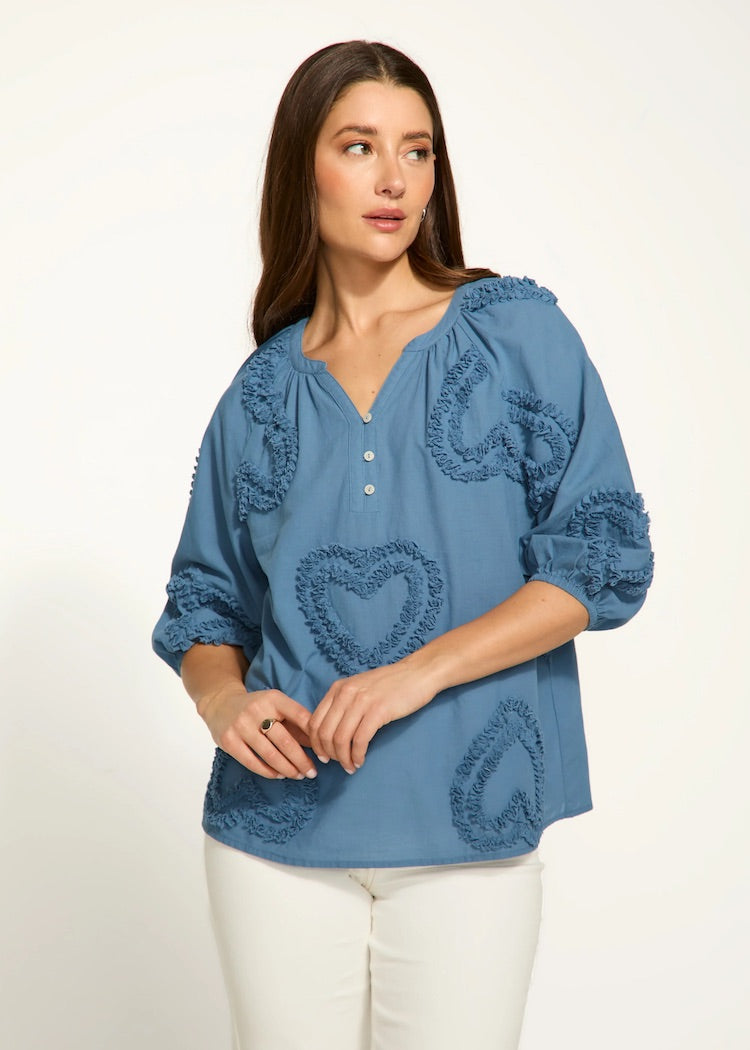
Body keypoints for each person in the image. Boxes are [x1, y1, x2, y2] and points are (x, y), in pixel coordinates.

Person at [152, 40, 654, 1050]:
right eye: (360, 146)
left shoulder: (517, 336)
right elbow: (206, 605)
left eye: (417, 150)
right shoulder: (260, 393)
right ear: (303, 169)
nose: (394, 178)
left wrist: (414, 675)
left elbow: (600, 559)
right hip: (275, 836)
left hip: (470, 823)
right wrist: (222, 699)